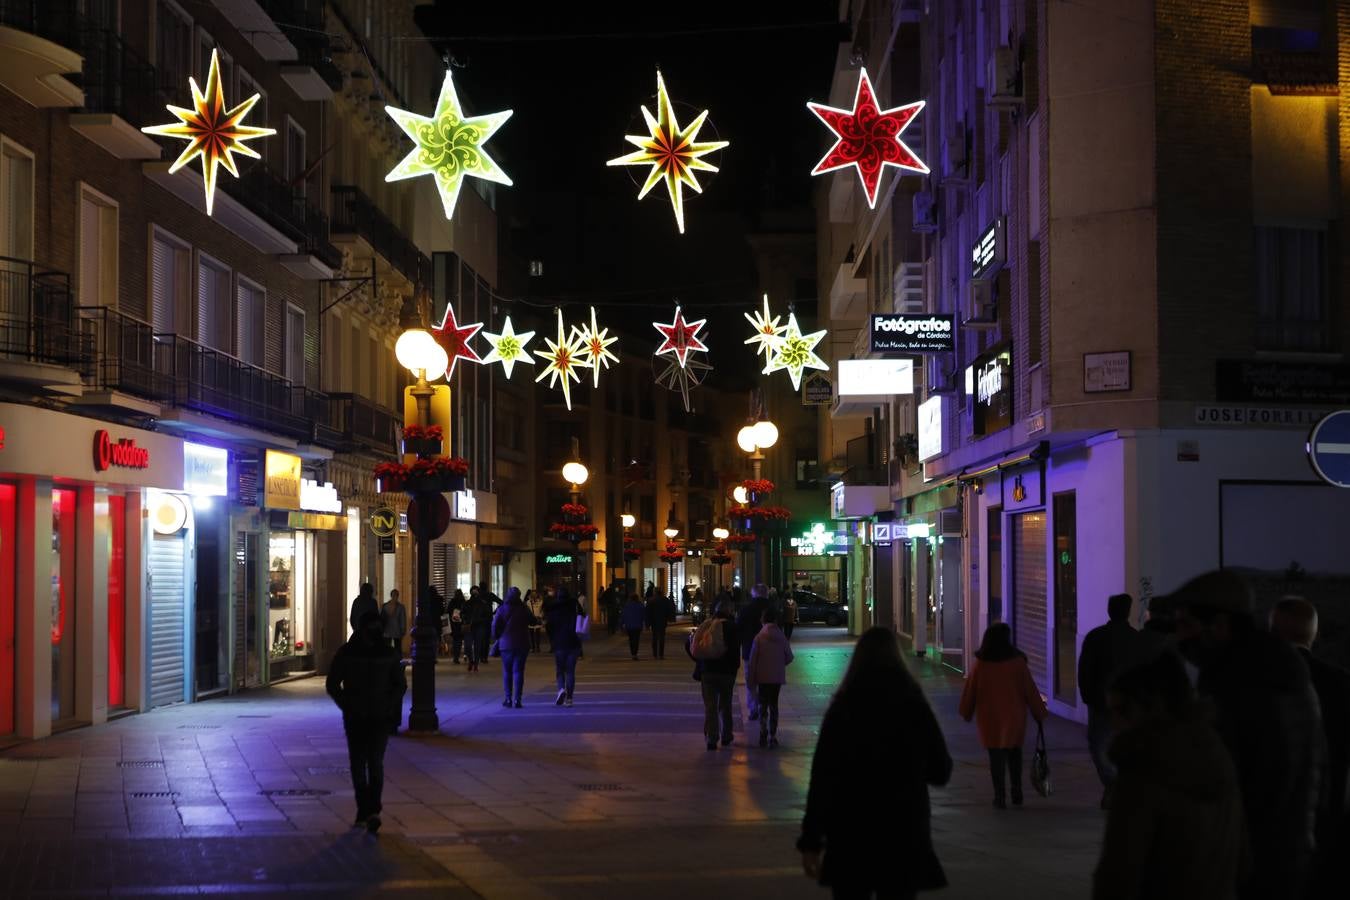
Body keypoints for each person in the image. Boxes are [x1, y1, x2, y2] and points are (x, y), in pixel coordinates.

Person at [1169, 569, 1322, 899]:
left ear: (1220, 625)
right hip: (1278, 856)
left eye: (1186, 625)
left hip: (1251, 863)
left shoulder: (1241, 683)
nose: (1179, 638)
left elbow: (1233, 780)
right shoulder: (1273, 670)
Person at [798, 628, 952, 898]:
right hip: (902, 834)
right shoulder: (913, 704)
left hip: (850, 836)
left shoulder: (843, 706)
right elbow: (940, 770)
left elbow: (822, 778)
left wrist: (811, 841)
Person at [1092, 653, 1247, 900]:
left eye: (1119, 710)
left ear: (1148, 708)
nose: (1114, 722)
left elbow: (1119, 871)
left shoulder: (1142, 771)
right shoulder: (1217, 753)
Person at [1270, 595, 1350, 897]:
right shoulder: (1340, 683)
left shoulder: (1254, 685)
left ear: (1273, 631)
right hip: (1330, 825)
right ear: (1313, 633)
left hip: (1273, 833)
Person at [325, 611, 406, 834]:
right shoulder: (388, 654)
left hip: (359, 716)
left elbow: (332, 684)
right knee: (373, 763)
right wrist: (388, 704)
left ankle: (366, 810)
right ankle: (372, 810)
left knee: (361, 764)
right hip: (374, 715)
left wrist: (347, 704)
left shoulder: (347, 652)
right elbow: (400, 685)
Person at [958, 623, 1049, 808]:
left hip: (990, 718)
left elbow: (970, 691)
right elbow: (1030, 690)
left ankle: (999, 796)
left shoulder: (981, 664)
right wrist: (1039, 712)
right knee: (1015, 754)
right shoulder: (1017, 663)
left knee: (996, 757)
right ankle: (1017, 791)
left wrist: (967, 712)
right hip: (1014, 716)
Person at [1078, 592, 1145, 808]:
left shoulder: (1096, 637)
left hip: (1100, 702)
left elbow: (1084, 670)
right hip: (1129, 703)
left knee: (1098, 743)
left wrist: (1087, 695)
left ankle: (1112, 782)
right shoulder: (1136, 639)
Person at [691, 601, 741, 750]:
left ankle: (712, 738)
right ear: (730, 611)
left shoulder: (706, 625)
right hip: (727, 672)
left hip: (708, 671)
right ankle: (726, 735)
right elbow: (735, 651)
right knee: (726, 705)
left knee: (710, 706)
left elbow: (693, 647)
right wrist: (734, 668)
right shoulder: (733, 627)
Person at [747, 606, 794, 748]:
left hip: (762, 677)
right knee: (774, 705)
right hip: (776, 678)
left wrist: (751, 677)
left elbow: (752, 660)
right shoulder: (782, 637)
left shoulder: (759, 637)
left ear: (763, 620)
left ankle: (763, 732)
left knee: (762, 705)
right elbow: (789, 657)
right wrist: (779, 664)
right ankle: (773, 736)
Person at [491, 587, 531, 708]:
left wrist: (497, 637)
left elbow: (494, 626)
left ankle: (508, 699)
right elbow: (532, 620)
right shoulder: (524, 608)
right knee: (518, 671)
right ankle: (517, 700)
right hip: (522, 643)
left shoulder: (502, 609)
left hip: (505, 644)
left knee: (507, 671)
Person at [737, 584, 772, 720]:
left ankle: (753, 708)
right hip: (769, 651)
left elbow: (739, 629)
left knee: (751, 681)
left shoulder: (746, 609)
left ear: (754, 594)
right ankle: (764, 707)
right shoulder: (773, 608)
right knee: (766, 681)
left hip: (749, 649)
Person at [546, 586, 583, 707]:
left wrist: (552, 642)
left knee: (560, 670)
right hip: (573, 642)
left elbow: (549, 628)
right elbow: (583, 616)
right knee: (570, 672)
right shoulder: (573, 606)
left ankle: (561, 689)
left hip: (560, 643)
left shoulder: (553, 609)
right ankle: (570, 699)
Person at [464, 587, 492, 673]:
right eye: (473, 592)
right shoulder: (467, 603)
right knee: (468, 645)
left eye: (476, 592)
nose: (475, 594)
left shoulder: (483, 604)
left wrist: (481, 620)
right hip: (469, 626)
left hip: (479, 627)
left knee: (477, 646)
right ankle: (471, 661)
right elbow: (462, 612)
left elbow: (488, 615)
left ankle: (475, 664)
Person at [381, 589, 407, 655]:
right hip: (389, 630)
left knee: (396, 648)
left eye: (396, 595)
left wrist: (403, 629)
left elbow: (402, 619)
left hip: (394, 630)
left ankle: (395, 661)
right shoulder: (385, 606)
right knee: (389, 647)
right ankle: (392, 660)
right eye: (394, 595)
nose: (395, 597)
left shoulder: (400, 607)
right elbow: (382, 618)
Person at [647, 590, 671, 659]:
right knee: (662, 638)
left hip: (654, 621)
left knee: (654, 637)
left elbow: (648, 612)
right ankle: (661, 654)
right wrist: (668, 618)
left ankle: (655, 654)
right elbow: (668, 610)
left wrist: (648, 623)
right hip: (662, 621)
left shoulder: (651, 600)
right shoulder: (665, 600)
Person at [621, 592, 646, 659]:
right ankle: (635, 653)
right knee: (636, 639)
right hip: (638, 625)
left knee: (631, 639)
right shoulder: (640, 605)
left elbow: (623, 615)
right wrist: (645, 624)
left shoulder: (627, 606)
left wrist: (622, 624)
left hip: (629, 625)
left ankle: (633, 653)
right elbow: (644, 615)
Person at [447, 589, 466, 663]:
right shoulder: (463, 602)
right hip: (461, 624)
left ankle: (455, 656)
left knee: (455, 640)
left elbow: (448, 611)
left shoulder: (452, 602)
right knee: (459, 640)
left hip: (453, 624)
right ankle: (457, 656)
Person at [526, 589, 546, 653]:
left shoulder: (541, 601)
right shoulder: (528, 602)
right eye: (533, 593)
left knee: (537, 634)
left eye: (535, 593)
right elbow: (528, 611)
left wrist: (541, 616)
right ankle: (533, 647)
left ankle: (537, 647)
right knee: (531, 634)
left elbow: (543, 610)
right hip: (531, 619)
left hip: (538, 619)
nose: (534, 595)